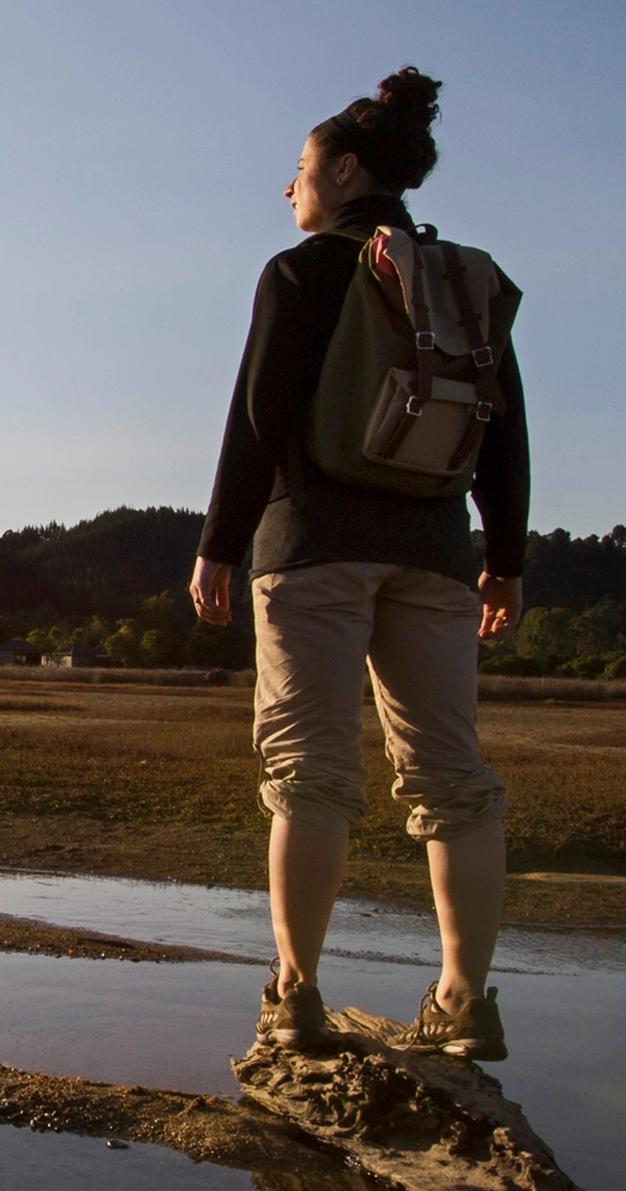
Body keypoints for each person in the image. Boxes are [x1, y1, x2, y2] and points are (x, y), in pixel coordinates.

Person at [189, 67, 528, 1058]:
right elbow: (503, 429)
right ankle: (466, 1003)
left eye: (297, 170)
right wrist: (501, 558)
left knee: (311, 775)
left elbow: (258, 421)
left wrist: (219, 543)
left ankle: (294, 995)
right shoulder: (459, 280)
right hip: (433, 554)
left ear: (341, 171)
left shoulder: (302, 273)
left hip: (312, 550)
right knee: (454, 780)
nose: (288, 189)